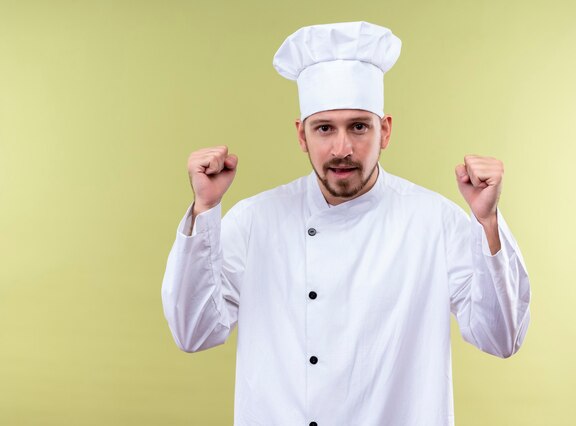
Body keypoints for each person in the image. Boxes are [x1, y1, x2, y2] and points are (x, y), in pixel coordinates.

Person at [162, 21, 531, 426]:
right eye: (324, 129)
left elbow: (502, 339)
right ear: (302, 135)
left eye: (359, 126)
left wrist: (487, 222)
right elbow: (193, 332)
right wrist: (204, 207)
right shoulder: (255, 220)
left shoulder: (433, 220)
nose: (342, 149)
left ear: (384, 130)